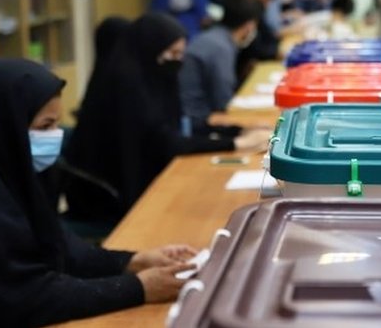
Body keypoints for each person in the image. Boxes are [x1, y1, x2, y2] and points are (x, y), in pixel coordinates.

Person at [0, 59, 197, 326]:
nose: (55, 137)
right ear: (3, 128)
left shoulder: (7, 177)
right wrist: (138, 288)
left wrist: (135, 262)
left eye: (57, 124)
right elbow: (25, 298)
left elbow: (62, 248)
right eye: (44, 127)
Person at [63, 12, 268, 225]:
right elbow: (165, 142)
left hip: (144, 183)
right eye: (172, 54)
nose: (178, 62)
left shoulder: (153, 80)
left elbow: (180, 126)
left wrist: (238, 131)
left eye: (181, 54)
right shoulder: (127, 89)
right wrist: (235, 144)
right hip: (113, 201)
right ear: (152, 50)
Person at [179, 0, 262, 126]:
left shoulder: (214, 37)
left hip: (191, 113)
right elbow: (223, 101)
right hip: (198, 119)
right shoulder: (221, 48)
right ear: (249, 25)